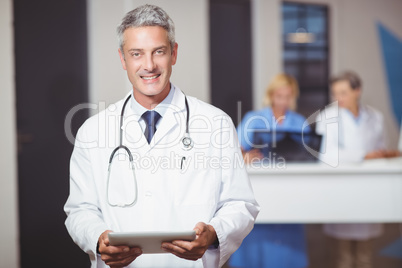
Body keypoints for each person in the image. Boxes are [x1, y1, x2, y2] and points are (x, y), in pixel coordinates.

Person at [64, 5, 259, 268]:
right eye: (136, 54)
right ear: (123, 59)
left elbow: (240, 203)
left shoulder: (216, 124)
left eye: (159, 51)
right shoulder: (93, 130)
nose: (149, 65)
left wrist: (214, 234)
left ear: (174, 53)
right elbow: (80, 210)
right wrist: (98, 239)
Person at [316, 71, 400, 268]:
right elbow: (326, 155)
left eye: (344, 92)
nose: (339, 98)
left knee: (365, 257)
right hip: (341, 191)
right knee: (342, 259)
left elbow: (380, 149)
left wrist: (381, 155)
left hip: (368, 191)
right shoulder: (327, 116)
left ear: (357, 91)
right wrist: (364, 156)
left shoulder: (376, 117)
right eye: (335, 93)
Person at [230, 74, 309, 268]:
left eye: (288, 96)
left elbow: (308, 153)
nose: (283, 101)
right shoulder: (254, 119)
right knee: (258, 230)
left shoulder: (299, 122)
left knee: (288, 226)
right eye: (279, 95)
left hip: (290, 186)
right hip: (260, 187)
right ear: (271, 95)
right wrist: (244, 156)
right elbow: (233, 151)